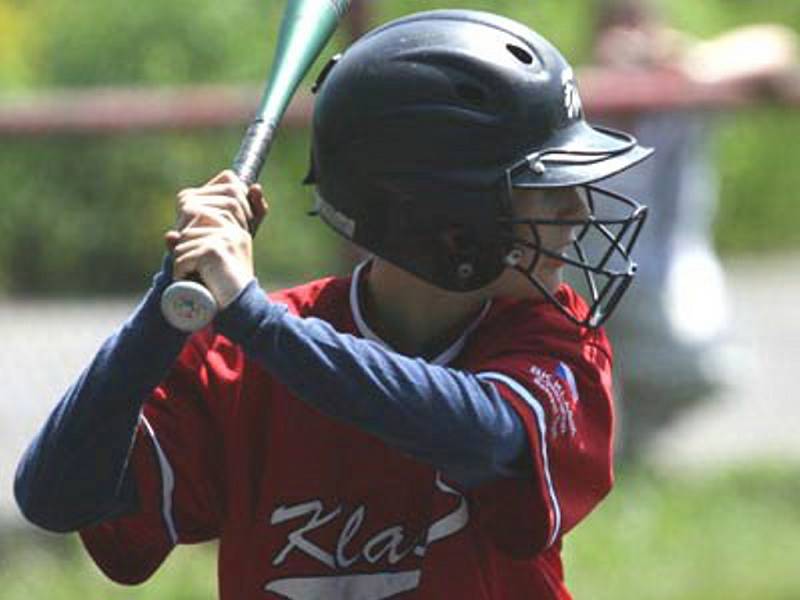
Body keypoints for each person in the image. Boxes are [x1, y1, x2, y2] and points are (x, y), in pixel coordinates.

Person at [15, 10, 651, 599]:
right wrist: (165, 309)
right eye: (544, 190)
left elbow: (482, 435)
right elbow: (55, 495)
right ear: (445, 221)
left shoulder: (556, 340)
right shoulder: (241, 359)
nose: (578, 213)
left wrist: (256, 321)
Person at [589, 0, 799, 458]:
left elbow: (775, 47)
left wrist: (686, 67)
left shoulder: (686, 83)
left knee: (704, 368)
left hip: (670, 272)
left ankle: (628, 451)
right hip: (589, 275)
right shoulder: (579, 99)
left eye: (638, 23)